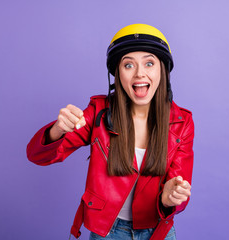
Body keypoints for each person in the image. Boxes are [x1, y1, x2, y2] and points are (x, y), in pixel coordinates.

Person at [27, 23, 194, 240]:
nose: (139, 74)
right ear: (117, 73)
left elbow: (179, 192)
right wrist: (58, 129)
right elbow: (36, 155)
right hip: (108, 232)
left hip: (159, 232)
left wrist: (171, 197)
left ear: (162, 70)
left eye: (149, 63)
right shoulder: (97, 113)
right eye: (128, 65)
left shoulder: (182, 122)